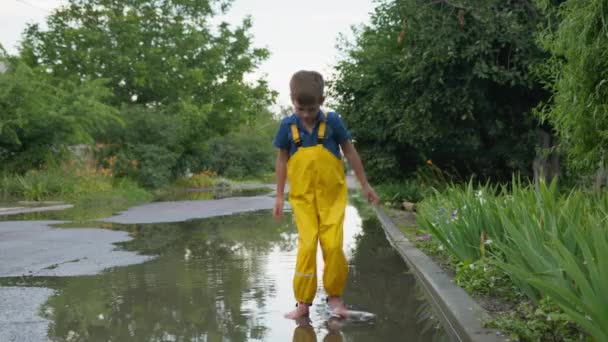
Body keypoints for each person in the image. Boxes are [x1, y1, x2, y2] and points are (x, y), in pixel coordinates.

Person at [273, 70, 379, 320]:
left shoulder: (333, 122)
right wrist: (279, 196)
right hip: (303, 201)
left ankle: (335, 299)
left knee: (332, 246)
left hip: (332, 199)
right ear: (292, 100)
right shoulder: (287, 126)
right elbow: (281, 160)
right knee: (307, 246)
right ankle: (303, 303)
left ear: (322, 100)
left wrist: (365, 185)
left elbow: (351, 153)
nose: (307, 114)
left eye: (311, 108)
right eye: (301, 109)